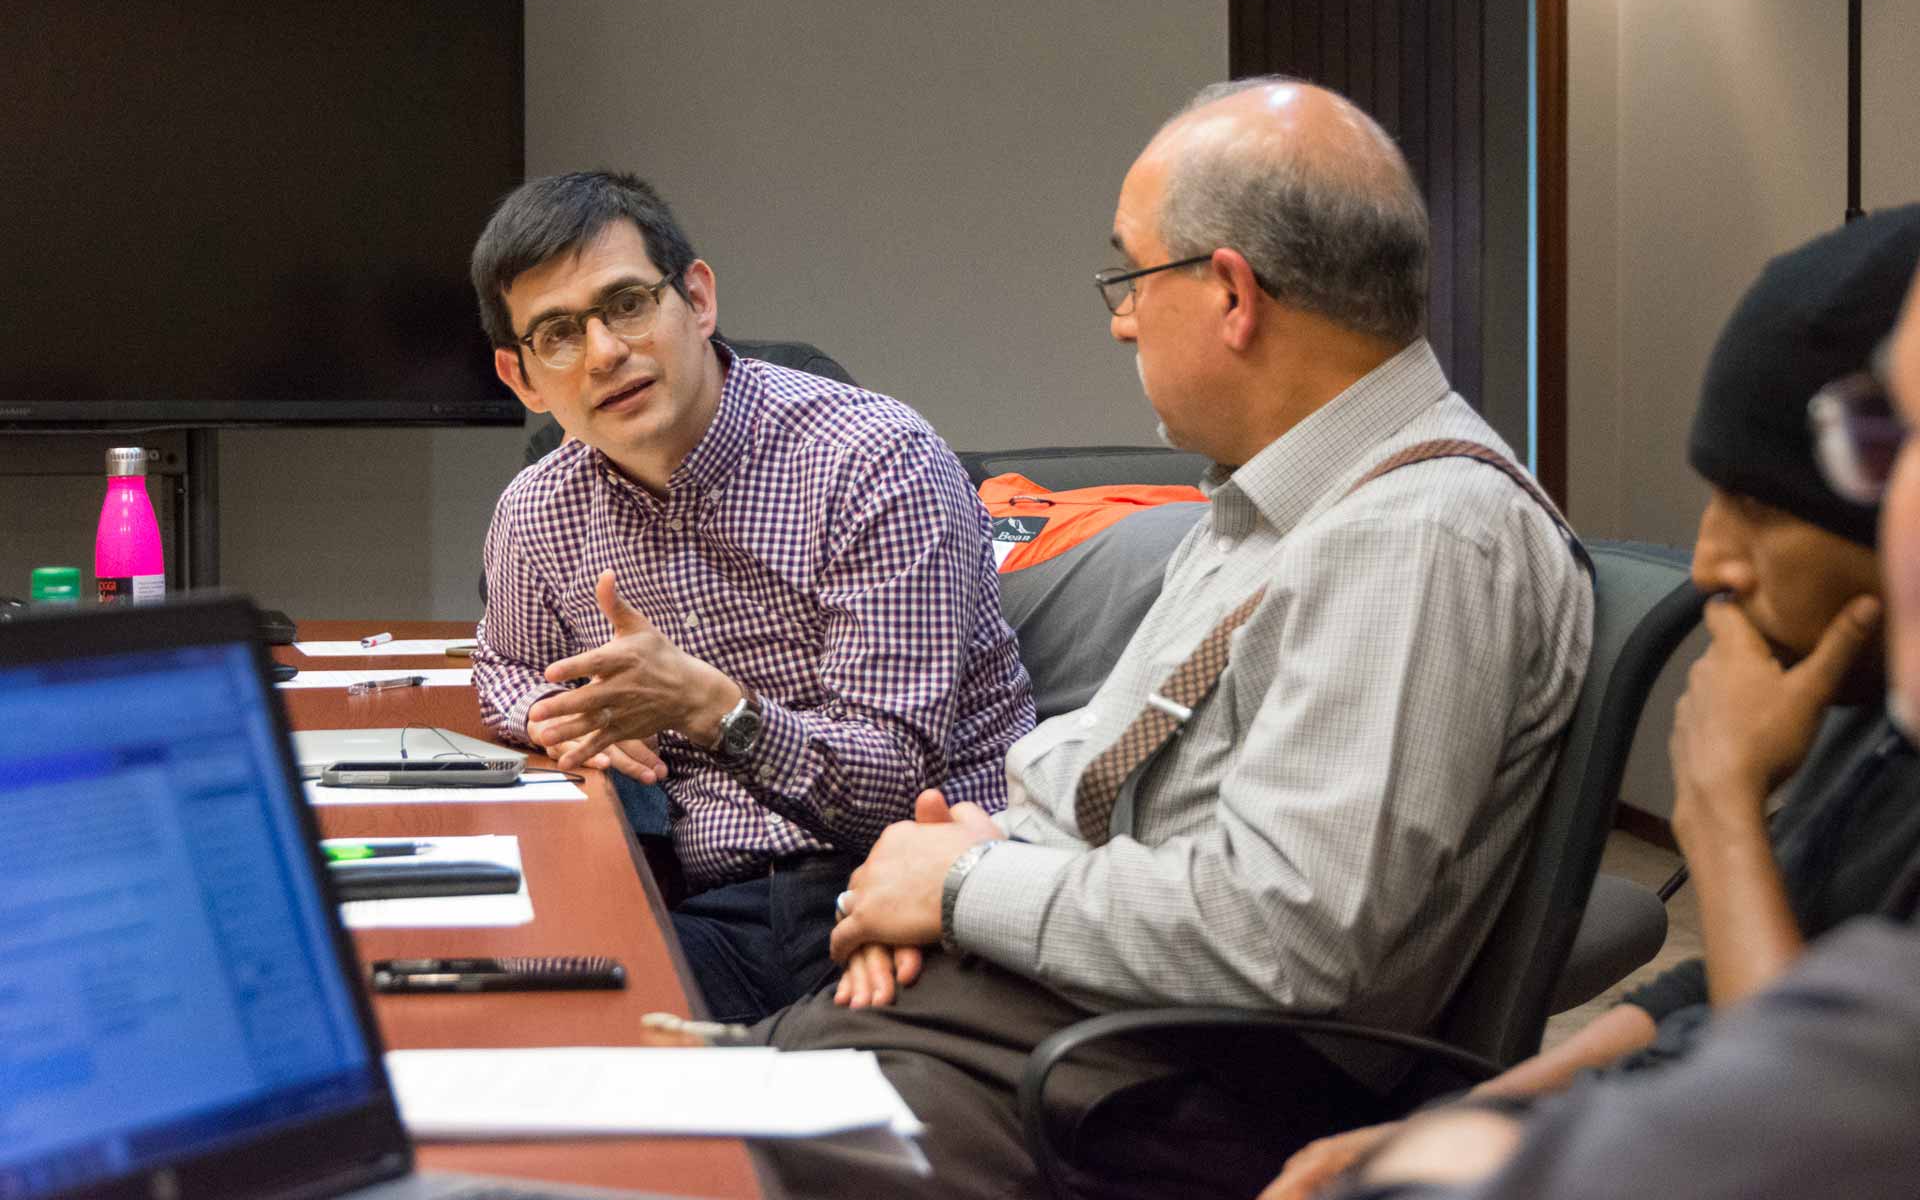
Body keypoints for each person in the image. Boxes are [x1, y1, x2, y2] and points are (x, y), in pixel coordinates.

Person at [749, 77, 1594, 1200]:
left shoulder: (1420, 535)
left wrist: (962, 891)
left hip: (1188, 1079)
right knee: (662, 1100)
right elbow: (1105, 769)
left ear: (1232, 294)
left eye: (1131, 277)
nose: (1120, 318)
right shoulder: (1281, 500)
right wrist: (944, 860)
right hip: (1089, 1023)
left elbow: (1283, 931)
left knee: (707, 1152)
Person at [1267, 202, 1920, 1200]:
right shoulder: (1870, 714)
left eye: (1759, 506)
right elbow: (1713, 993)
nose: (1710, 561)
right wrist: (1474, 1113)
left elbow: (1805, 1138)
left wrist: (1724, 818)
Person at [468, 171, 1035, 1023]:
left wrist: (712, 708)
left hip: (917, 889)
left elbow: (887, 785)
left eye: (626, 304)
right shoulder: (539, 510)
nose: (603, 354)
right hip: (718, 900)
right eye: (558, 334)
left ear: (696, 299)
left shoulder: (872, 460)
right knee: (516, 1022)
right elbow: (501, 661)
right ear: (522, 379)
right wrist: (555, 711)